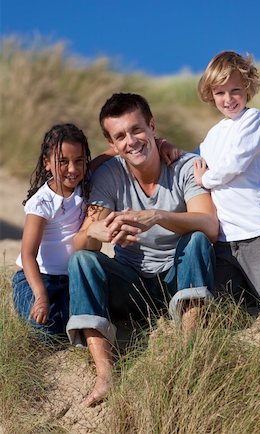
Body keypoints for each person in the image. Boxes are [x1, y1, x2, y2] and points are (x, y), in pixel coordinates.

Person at [66, 92, 219, 406]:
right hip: (132, 286)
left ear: (152, 126)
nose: (131, 141)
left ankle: (189, 357)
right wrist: (95, 230)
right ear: (112, 144)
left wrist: (158, 216)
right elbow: (83, 244)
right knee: (82, 259)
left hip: (179, 277)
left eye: (137, 129)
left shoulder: (186, 165)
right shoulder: (108, 176)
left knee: (197, 239)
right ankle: (105, 374)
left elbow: (210, 225)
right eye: (120, 136)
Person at [193, 50, 260, 311]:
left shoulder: (253, 119)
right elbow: (195, 159)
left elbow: (234, 164)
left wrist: (206, 179)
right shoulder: (212, 135)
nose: (228, 99)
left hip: (257, 228)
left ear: (247, 88)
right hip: (226, 237)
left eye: (235, 90)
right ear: (211, 95)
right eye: (220, 93)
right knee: (231, 305)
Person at [12, 123, 91, 335]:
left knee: (80, 320)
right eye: (63, 162)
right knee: (44, 330)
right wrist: (41, 296)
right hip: (37, 279)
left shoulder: (85, 188)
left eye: (79, 161)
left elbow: (110, 156)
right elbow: (27, 255)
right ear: (47, 163)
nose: (73, 169)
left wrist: (160, 143)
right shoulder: (42, 202)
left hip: (69, 280)